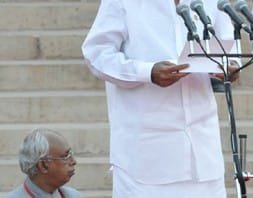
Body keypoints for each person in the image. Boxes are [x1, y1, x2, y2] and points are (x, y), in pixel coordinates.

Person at [81, 0, 239, 197]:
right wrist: (147, 72)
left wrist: (230, 66)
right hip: (147, 157)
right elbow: (97, 54)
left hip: (203, 153)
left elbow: (228, 47)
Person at [5, 129, 82, 198]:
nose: (74, 161)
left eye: (71, 154)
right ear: (43, 166)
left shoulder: (73, 195)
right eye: (65, 156)